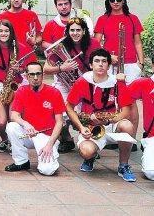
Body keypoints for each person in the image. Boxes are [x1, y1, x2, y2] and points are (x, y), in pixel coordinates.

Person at [66, 48, 136, 182]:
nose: (100, 64)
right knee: (86, 151)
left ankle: (123, 165)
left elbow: (127, 110)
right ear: (91, 65)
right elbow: (69, 107)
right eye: (97, 61)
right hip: (91, 128)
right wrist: (81, 127)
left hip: (111, 124)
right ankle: (90, 159)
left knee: (127, 126)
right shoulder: (82, 81)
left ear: (109, 66)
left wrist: (109, 121)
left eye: (104, 61)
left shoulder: (117, 82)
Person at [43, 17, 101, 152]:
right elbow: (46, 68)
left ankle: (89, 142)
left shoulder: (93, 43)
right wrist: (62, 68)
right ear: (67, 32)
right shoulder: (61, 45)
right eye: (72, 30)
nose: (75, 33)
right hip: (65, 84)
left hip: (86, 82)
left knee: (86, 114)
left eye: (78, 30)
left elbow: (100, 64)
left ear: (84, 31)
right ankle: (66, 138)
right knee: (58, 111)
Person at [0, 19, 36, 152]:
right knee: (1, 121)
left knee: (13, 120)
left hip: (15, 84)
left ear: (11, 32)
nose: (3, 33)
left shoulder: (20, 47)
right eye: (0, 30)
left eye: (6, 31)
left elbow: (32, 66)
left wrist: (21, 69)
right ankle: (5, 139)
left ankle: (14, 142)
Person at [5, 61, 64, 175]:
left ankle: (46, 158)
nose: (35, 77)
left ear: (43, 74)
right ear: (27, 76)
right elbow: (14, 115)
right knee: (11, 127)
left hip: (47, 137)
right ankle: (21, 161)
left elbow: (59, 122)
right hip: (29, 134)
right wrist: (25, 124)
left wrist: (50, 144)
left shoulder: (54, 92)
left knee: (48, 170)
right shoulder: (22, 91)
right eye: (32, 74)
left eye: (38, 74)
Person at [94, 0, 144, 83]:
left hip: (130, 64)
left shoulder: (133, 18)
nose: (115, 2)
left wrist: (141, 64)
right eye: (112, 0)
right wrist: (108, 57)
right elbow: (96, 44)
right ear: (108, 2)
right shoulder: (102, 19)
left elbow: (138, 43)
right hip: (109, 64)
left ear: (123, 1)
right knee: (110, 94)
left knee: (130, 95)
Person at [129, 74, 154, 180]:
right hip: (152, 137)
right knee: (151, 172)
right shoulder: (144, 83)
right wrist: (120, 81)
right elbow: (124, 95)